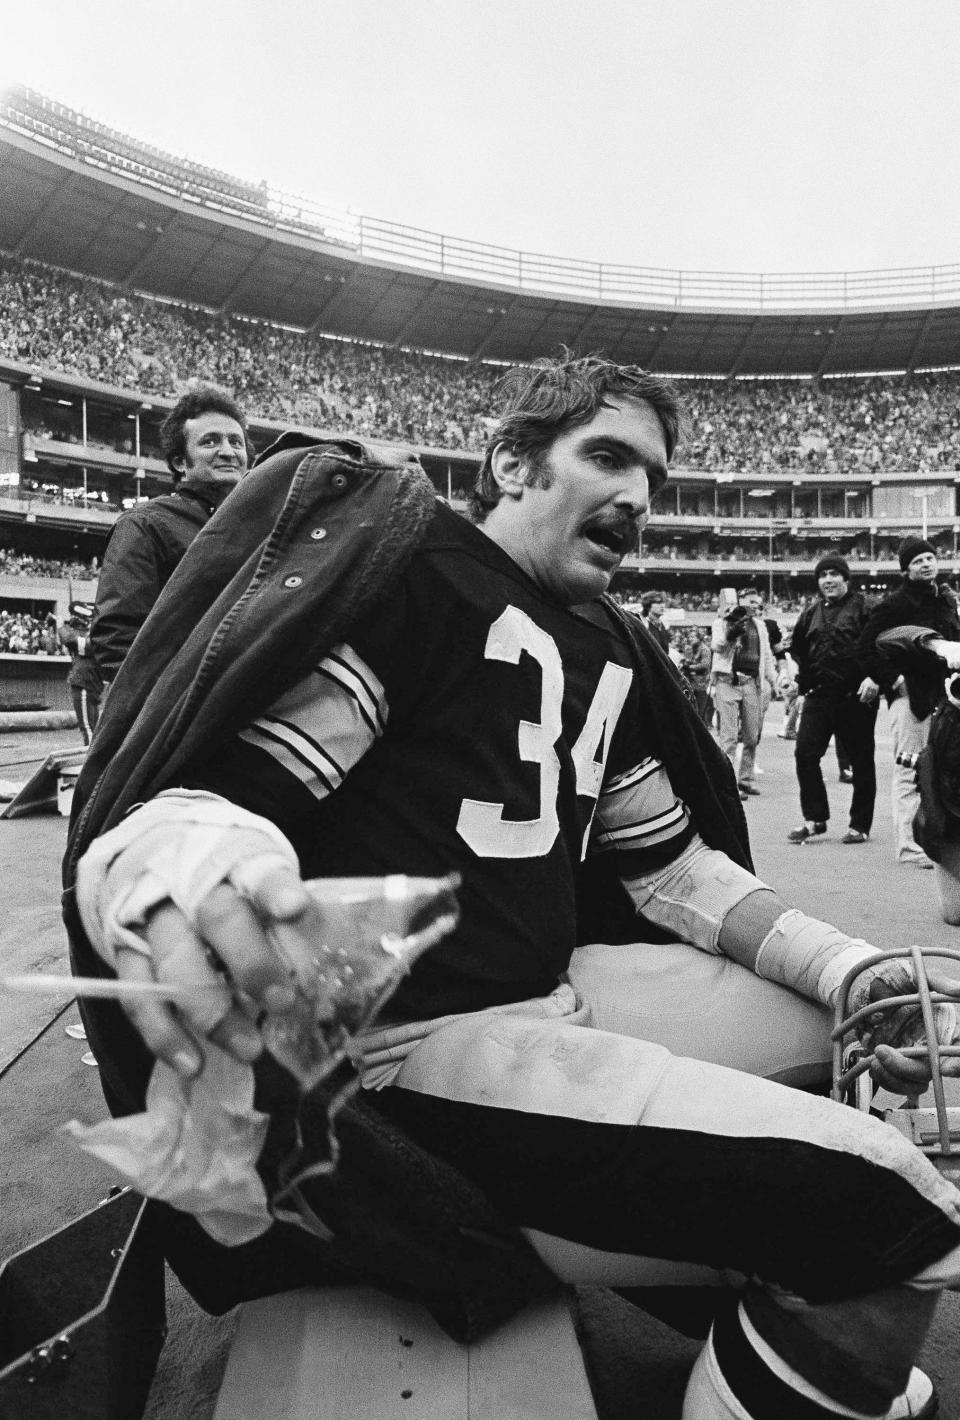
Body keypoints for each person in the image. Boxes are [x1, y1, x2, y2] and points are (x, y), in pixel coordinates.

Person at [65, 356, 960, 1420]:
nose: (638, 494)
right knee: (893, 1214)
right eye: (608, 456)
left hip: (549, 989)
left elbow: (669, 865)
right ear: (509, 463)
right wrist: (196, 869)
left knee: (873, 1028)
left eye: (656, 478)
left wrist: (846, 963)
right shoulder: (414, 573)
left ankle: (760, 1283)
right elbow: (223, 793)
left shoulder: (608, 638)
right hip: (403, 1043)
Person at [89, 384, 252, 689]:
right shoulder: (144, 525)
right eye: (210, 442)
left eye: (236, 441)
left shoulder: (264, 525)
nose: (228, 452)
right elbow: (117, 638)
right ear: (180, 462)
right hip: (185, 710)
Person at [855, 536, 960, 869]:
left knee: (943, 768)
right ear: (906, 569)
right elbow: (865, 648)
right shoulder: (893, 604)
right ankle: (907, 845)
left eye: (930, 557)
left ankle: (936, 837)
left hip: (946, 696)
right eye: (918, 561)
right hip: (910, 697)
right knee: (908, 769)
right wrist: (893, 680)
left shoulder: (945, 600)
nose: (926, 564)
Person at [786, 554, 877, 845]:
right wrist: (801, 689)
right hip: (820, 695)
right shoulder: (810, 613)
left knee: (861, 761)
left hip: (856, 696)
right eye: (823, 575)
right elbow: (799, 650)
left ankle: (860, 824)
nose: (828, 580)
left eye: (834, 574)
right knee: (805, 754)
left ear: (846, 578)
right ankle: (815, 818)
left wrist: (874, 676)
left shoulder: (866, 606)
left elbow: (882, 644)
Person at [709, 586, 777, 799]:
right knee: (728, 737)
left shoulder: (761, 626)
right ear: (741, 602)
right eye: (751, 602)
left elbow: (766, 656)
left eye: (757, 603)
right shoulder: (722, 622)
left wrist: (773, 681)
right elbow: (717, 647)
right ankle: (727, 784)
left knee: (751, 735)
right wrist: (732, 633)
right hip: (727, 681)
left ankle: (746, 779)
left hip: (751, 683)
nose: (755, 606)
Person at [59, 600, 102, 746]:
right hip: (88, 681)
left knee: (89, 728)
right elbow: (70, 639)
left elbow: (76, 642)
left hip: (86, 682)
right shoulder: (78, 633)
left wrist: (62, 626)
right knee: (91, 727)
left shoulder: (93, 636)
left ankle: (91, 763)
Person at [639, 589, 672, 655]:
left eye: (663, 603)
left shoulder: (662, 625)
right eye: (658, 603)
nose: (662, 606)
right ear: (648, 606)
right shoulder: (643, 625)